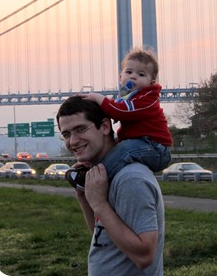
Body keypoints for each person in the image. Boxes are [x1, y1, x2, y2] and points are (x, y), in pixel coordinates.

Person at [56, 95, 165, 275]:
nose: (73, 141)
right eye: (66, 134)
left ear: (105, 127)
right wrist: (84, 195)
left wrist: (99, 204)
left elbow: (144, 256)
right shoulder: (104, 176)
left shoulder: (130, 179)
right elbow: (104, 240)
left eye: (81, 129)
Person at [79, 47, 172, 185]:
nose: (133, 76)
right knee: (108, 144)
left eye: (141, 75)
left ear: (151, 83)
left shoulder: (148, 98)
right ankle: (91, 166)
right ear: (121, 77)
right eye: (129, 72)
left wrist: (99, 99)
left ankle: (96, 180)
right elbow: (114, 110)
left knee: (123, 150)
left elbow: (120, 112)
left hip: (156, 148)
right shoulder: (126, 96)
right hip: (141, 142)